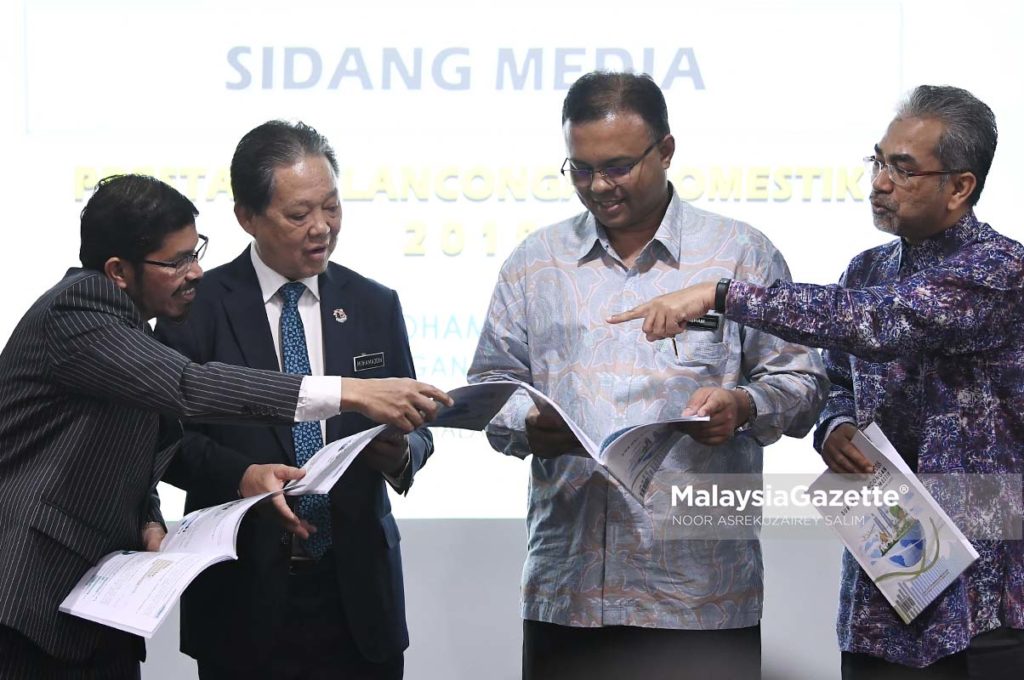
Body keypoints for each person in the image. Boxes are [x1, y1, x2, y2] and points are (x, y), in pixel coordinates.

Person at [609, 85, 1024, 678]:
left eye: (903, 170)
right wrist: (834, 424)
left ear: (960, 186)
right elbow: (835, 378)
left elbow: (880, 322)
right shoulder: (868, 268)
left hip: (982, 606)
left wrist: (722, 295)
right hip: (886, 594)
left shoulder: (1000, 270)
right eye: (878, 161)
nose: (880, 181)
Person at [0, 173, 449, 679]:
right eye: (176, 262)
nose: (195, 273)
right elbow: (188, 388)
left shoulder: (126, 325)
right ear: (118, 271)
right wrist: (347, 390)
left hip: (90, 607)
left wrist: (147, 515)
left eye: (197, 252)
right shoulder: (78, 309)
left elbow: (140, 436)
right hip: (31, 598)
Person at [468, 71, 828, 679]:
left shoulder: (740, 255)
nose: (598, 186)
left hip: (702, 595)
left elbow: (802, 383)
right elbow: (488, 390)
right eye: (580, 169)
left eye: (617, 166)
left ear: (666, 151)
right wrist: (529, 423)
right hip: (570, 592)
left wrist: (742, 405)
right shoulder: (536, 264)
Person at [155, 120, 429, 680]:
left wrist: (403, 454)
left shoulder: (375, 302)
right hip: (243, 595)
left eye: (332, 208)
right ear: (247, 217)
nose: (322, 228)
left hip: (358, 599)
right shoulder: (198, 306)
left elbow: (417, 425)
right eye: (299, 215)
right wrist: (241, 474)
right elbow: (165, 440)